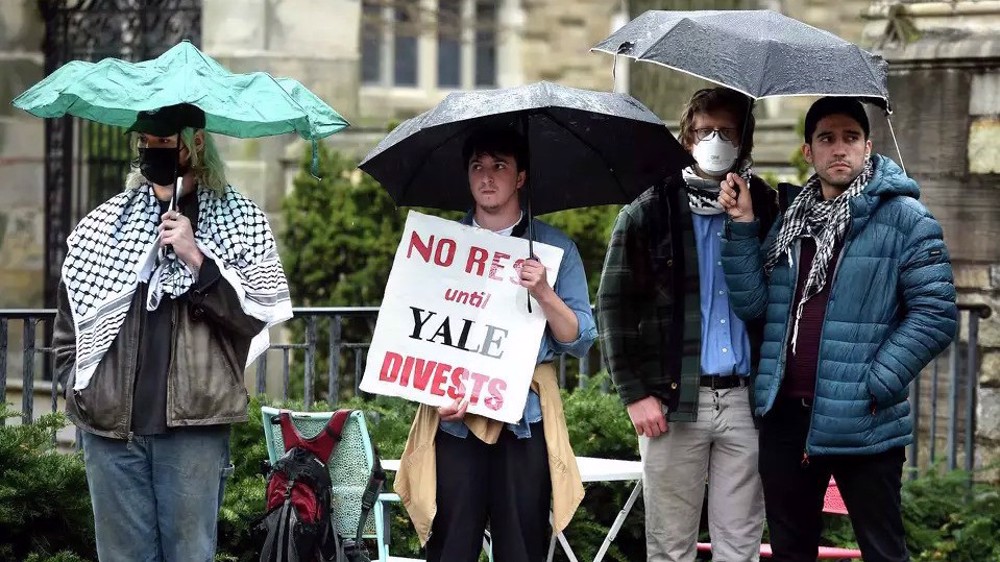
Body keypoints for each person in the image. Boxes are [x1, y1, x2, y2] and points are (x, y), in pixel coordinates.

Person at [719, 96, 957, 562]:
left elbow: (935, 314)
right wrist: (744, 225)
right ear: (808, 150)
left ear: (868, 146)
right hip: (786, 416)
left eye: (851, 137)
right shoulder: (791, 219)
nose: (839, 149)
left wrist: (874, 384)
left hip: (865, 421)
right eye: (826, 138)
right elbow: (754, 306)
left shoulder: (905, 219)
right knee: (791, 551)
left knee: (883, 550)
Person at [52, 103, 292, 562]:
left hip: (192, 429)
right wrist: (73, 385)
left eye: (163, 143)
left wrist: (197, 259)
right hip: (111, 432)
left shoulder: (240, 220)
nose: (151, 152)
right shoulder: (105, 225)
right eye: (145, 143)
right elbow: (71, 319)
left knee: (190, 555)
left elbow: (254, 317)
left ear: (195, 144)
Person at [393, 128, 598, 562]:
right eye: (477, 167)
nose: (487, 177)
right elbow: (414, 334)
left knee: (521, 546)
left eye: (499, 166)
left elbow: (579, 339)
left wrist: (544, 291)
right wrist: (435, 392)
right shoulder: (439, 248)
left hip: (524, 421)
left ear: (521, 176)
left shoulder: (556, 248)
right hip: (455, 420)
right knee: (449, 546)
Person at [597, 87, 777, 561]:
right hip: (673, 400)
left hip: (745, 400)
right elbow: (613, 309)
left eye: (726, 131)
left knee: (739, 546)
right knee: (669, 545)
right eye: (703, 131)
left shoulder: (769, 207)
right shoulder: (649, 210)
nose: (714, 140)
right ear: (685, 138)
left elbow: (780, 303)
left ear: (745, 141)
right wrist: (635, 393)